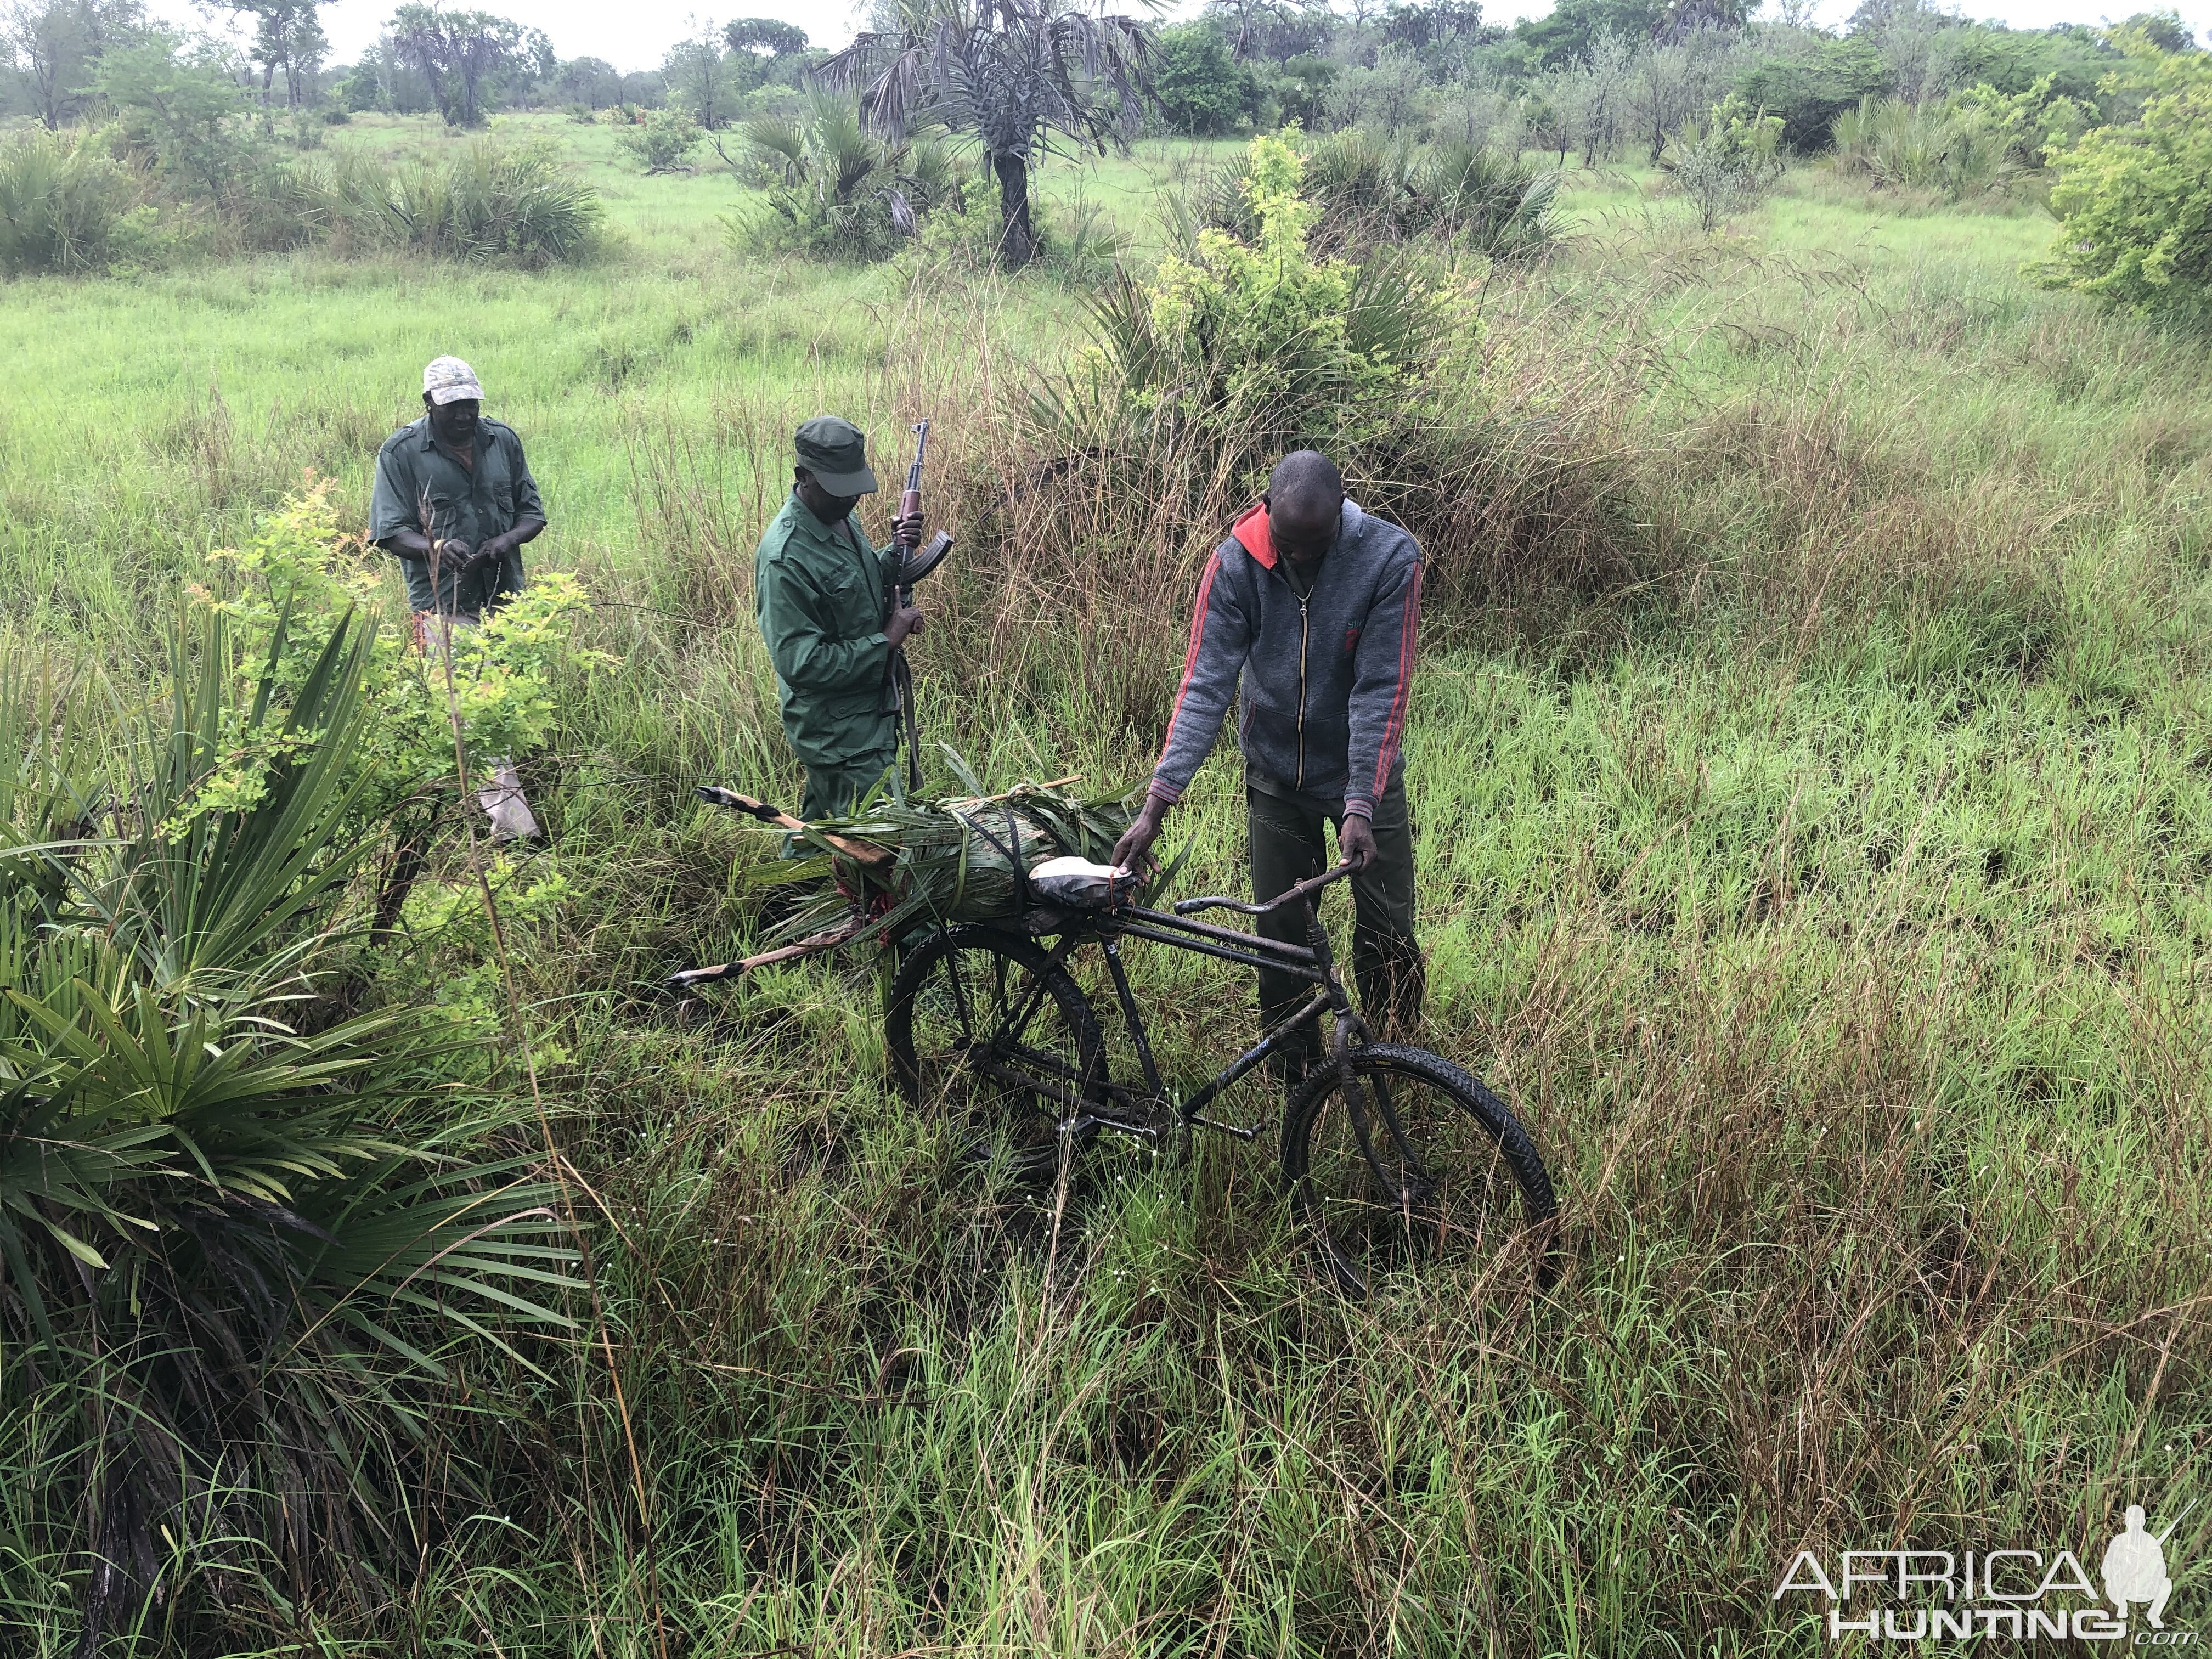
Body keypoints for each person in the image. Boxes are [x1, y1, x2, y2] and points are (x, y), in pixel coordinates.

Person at [1112, 450, 1426, 1079]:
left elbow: (1380, 689)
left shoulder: (1389, 559)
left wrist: (1360, 804)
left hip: (1361, 777)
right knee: (1281, 937)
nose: (1299, 561)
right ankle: (1295, 1075)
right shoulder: (1235, 562)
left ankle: (1399, 1062)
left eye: (1316, 546)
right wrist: (1156, 806)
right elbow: (1206, 683)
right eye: (1288, 544)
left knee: (1388, 931)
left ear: (1342, 512)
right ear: (1265, 509)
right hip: (1276, 779)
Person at [368, 355, 546, 842]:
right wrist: (437, 548)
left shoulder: (502, 441)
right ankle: (514, 832)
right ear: (429, 404)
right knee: (472, 712)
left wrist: (505, 542)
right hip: (442, 605)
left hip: (505, 598)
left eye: (470, 404)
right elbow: (387, 533)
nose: (464, 415)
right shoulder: (401, 452)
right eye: (452, 407)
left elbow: (532, 513)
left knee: (504, 709)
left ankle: (468, 801)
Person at [754, 416, 924, 821]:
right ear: (803, 477)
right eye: (839, 491)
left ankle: (792, 885)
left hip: (865, 715)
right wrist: (886, 640)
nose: (851, 501)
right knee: (881, 844)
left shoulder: (841, 518)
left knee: (822, 833)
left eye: (855, 489)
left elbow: (854, 585)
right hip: (838, 733)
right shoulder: (785, 558)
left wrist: (896, 551)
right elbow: (800, 663)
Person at [2103, 1505, 2173, 1628]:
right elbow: (2106, 1568)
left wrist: (2149, 1567)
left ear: (2144, 1522)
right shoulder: (2119, 1541)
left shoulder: (2151, 1542)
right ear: (2126, 1522)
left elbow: (2162, 1570)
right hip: (2121, 1588)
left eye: (2138, 1521)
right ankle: (2122, 1607)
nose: (2135, 1524)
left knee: (2166, 1584)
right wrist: (2122, 1569)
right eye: (2132, 1520)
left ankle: (2154, 1616)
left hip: (2144, 1587)